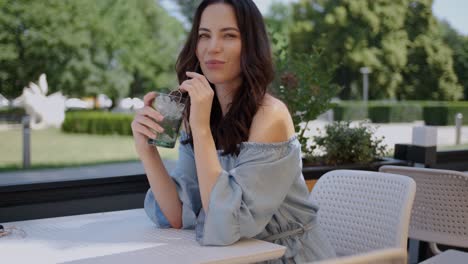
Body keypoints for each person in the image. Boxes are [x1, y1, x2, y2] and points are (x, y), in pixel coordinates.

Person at [131, 0, 336, 262]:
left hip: (286, 256)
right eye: (204, 35)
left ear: (250, 45)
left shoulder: (270, 115)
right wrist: (147, 151)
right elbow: (176, 216)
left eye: (229, 35)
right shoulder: (202, 112)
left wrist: (201, 129)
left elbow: (226, 226)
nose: (213, 47)